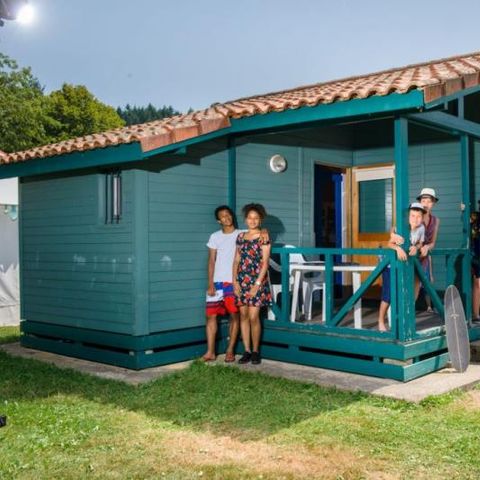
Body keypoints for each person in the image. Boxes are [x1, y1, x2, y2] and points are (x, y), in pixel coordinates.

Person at [233, 203, 272, 365]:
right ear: (245, 219)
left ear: (260, 219)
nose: (253, 221)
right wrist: (235, 281)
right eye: (250, 218)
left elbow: (265, 263)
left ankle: (256, 351)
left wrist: (257, 284)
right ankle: (247, 351)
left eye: (256, 218)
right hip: (241, 280)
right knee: (243, 316)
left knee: (254, 317)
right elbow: (236, 260)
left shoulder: (264, 237)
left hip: (257, 280)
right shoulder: (240, 237)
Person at [378, 202, 426, 331]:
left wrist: (416, 247)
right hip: (390, 265)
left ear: (422, 218)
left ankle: (401, 322)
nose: (416, 219)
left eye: (419, 216)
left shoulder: (421, 228)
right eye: (413, 216)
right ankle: (380, 321)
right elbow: (389, 243)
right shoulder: (401, 227)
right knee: (388, 295)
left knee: (404, 293)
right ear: (408, 216)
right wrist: (398, 249)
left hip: (404, 265)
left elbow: (420, 243)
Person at [203, 206, 241, 362]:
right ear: (219, 221)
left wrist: (264, 231)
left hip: (233, 283)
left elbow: (258, 232)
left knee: (234, 316)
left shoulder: (241, 234)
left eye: (228, 214)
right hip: (217, 283)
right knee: (210, 316)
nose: (227, 218)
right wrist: (210, 283)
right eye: (223, 216)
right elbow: (211, 261)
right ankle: (210, 352)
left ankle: (230, 350)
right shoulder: (215, 236)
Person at [416, 188, 440, 312]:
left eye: (429, 201)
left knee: (426, 283)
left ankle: (430, 306)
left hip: (424, 258)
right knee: (410, 285)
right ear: (420, 202)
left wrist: (426, 247)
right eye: (423, 200)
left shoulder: (436, 220)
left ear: (433, 203)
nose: (426, 203)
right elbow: (394, 228)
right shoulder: (414, 216)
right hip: (411, 255)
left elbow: (432, 243)